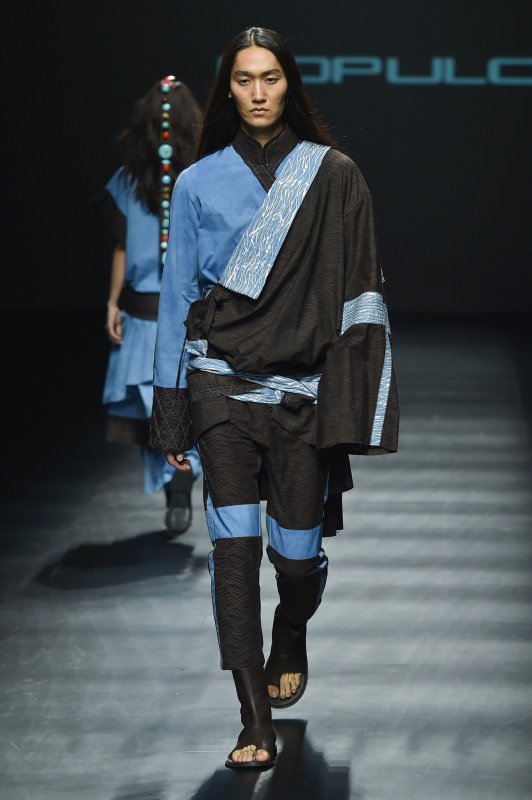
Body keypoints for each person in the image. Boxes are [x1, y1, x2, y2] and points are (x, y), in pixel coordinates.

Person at [150, 28, 399, 769]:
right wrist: (171, 408)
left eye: (270, 78)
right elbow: (176, 298)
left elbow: (361, 297)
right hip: (220, 385)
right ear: (226, 90)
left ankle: (291, 630)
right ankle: (252, 717)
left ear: (290, 84)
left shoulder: (334, 175)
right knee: (233, 553)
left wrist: (354, 401)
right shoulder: (197, 184)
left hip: (302, 394)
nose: (258, 93)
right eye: (243, 80)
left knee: (295, 559)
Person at [93, 76, 203, 533]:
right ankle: (182, 483)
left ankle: (174, 489)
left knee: (149, 408)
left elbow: (122, 246)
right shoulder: (205, 174)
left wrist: (112, 302)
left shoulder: (127, 179)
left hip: (142, 313)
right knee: (190, 404)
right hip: (191, 311)